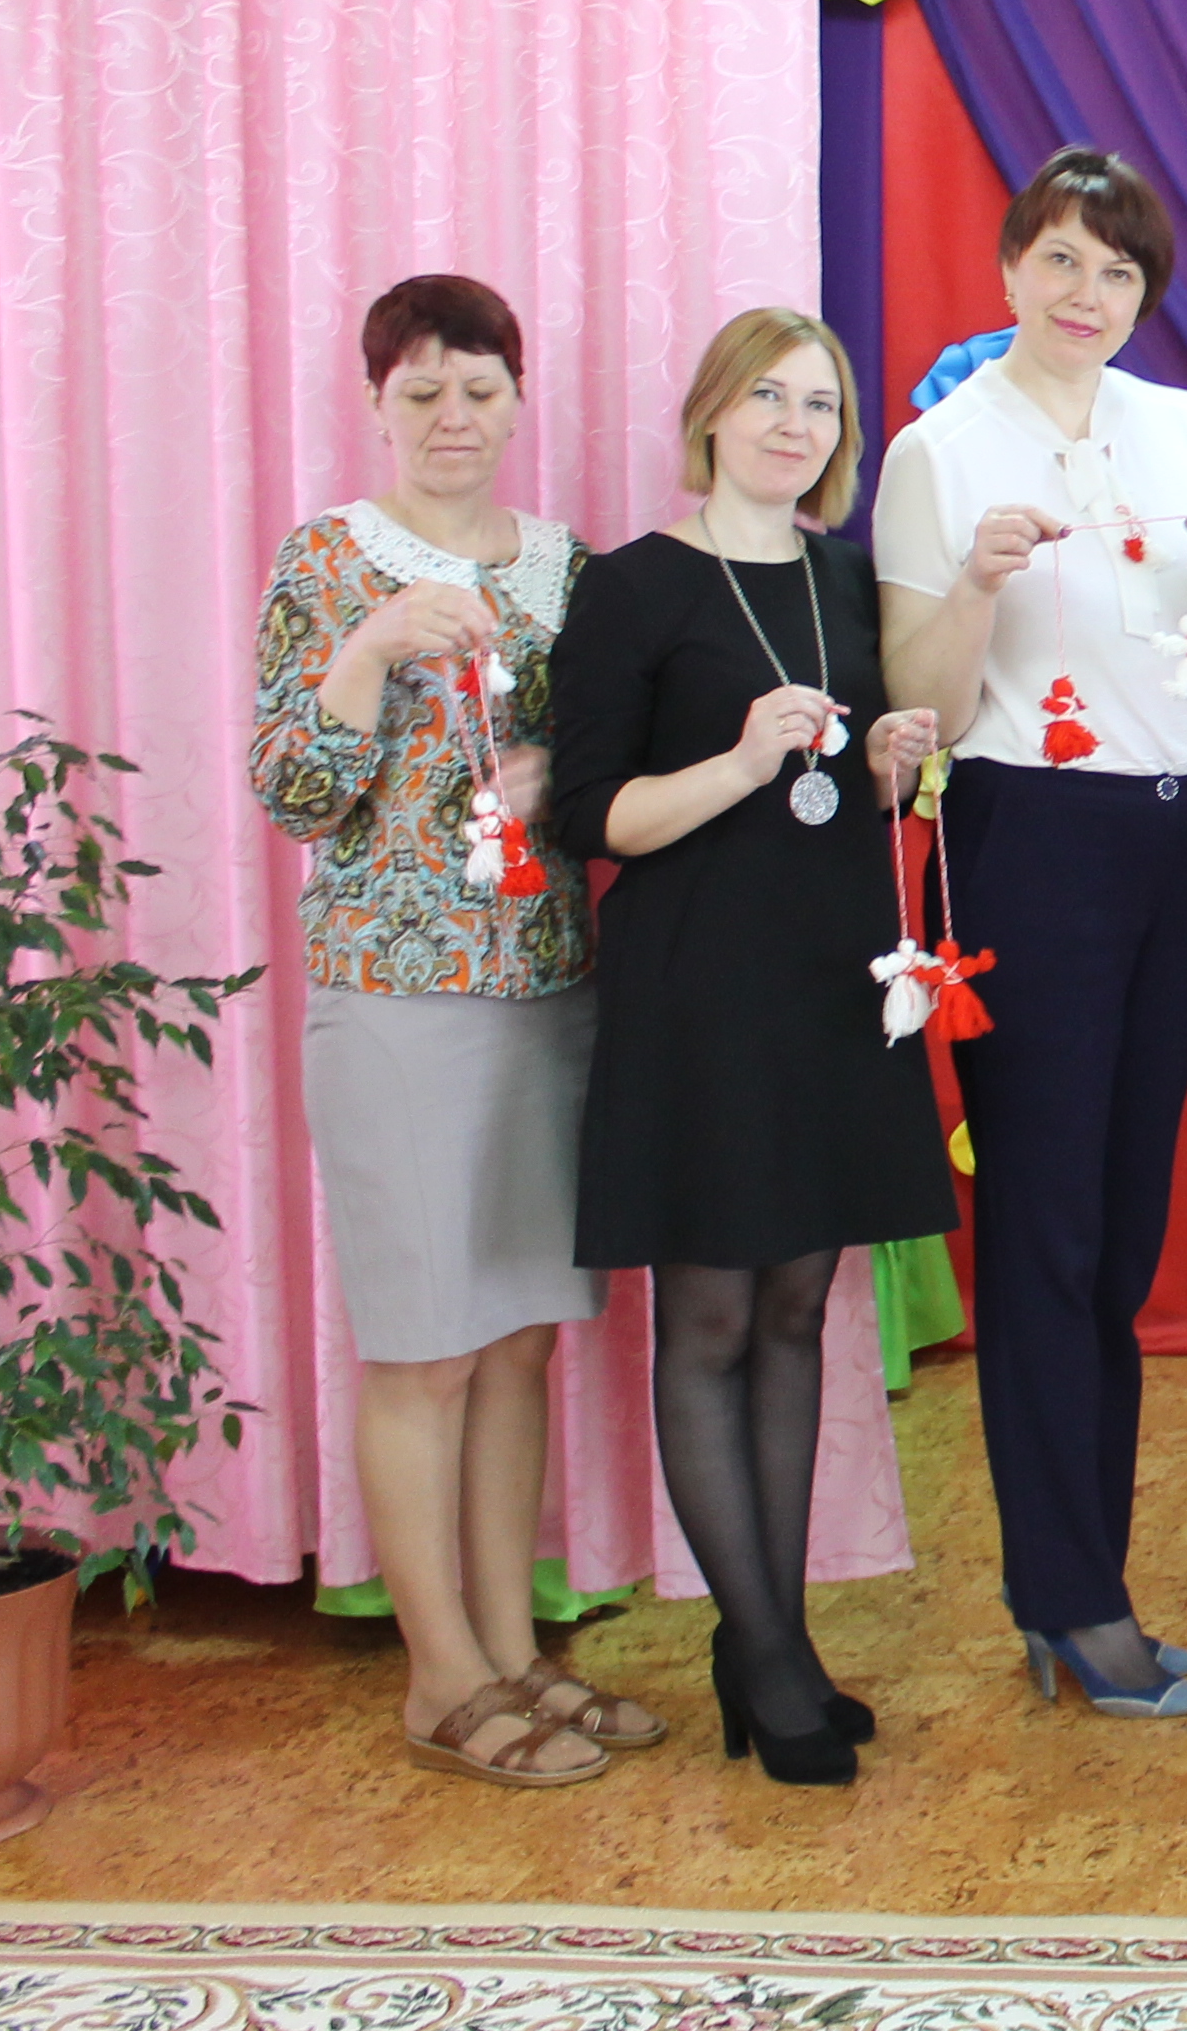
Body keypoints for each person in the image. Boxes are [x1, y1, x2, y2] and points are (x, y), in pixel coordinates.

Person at [875, 148, 1187, 1716]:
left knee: (1119, 1229)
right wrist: (978, 585)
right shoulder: (939, 448)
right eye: (1060, 259)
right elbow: (917, 692)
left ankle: (1088, 1580)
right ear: (1010, 269)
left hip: (1171, 837)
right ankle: (1065, 1595)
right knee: (1045, 1226)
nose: (1086, 292)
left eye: (1116, 271)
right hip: (1026, 837)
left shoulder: (1182, 427)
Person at [551, 310, 959, 1786]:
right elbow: (593, 817)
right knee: (712, 1319)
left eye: (822, 404)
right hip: (697, 994)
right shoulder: (633, 585)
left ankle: (770, 1637)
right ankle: (770, 1654)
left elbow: (854, 792)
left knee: (798, 1310)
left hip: (829, 984)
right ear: (713, 413)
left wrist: (889, 765)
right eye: (770, 397)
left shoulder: (846, 580)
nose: (797, 425)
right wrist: (739, 759)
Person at [249, 275, 639, 1788]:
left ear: (518, 400)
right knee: (423, 1351)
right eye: (422, 392)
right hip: (395, 1000)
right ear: (377, 405)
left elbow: (609, 768)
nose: (454, 418)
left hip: (548, 986)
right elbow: (295, 794)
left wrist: (558, 779)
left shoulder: (568, 569)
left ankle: (514, 1652)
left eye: (479, 390)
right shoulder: (329, 561)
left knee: (519, 1340)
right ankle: (440, 1678)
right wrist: (367, 652)